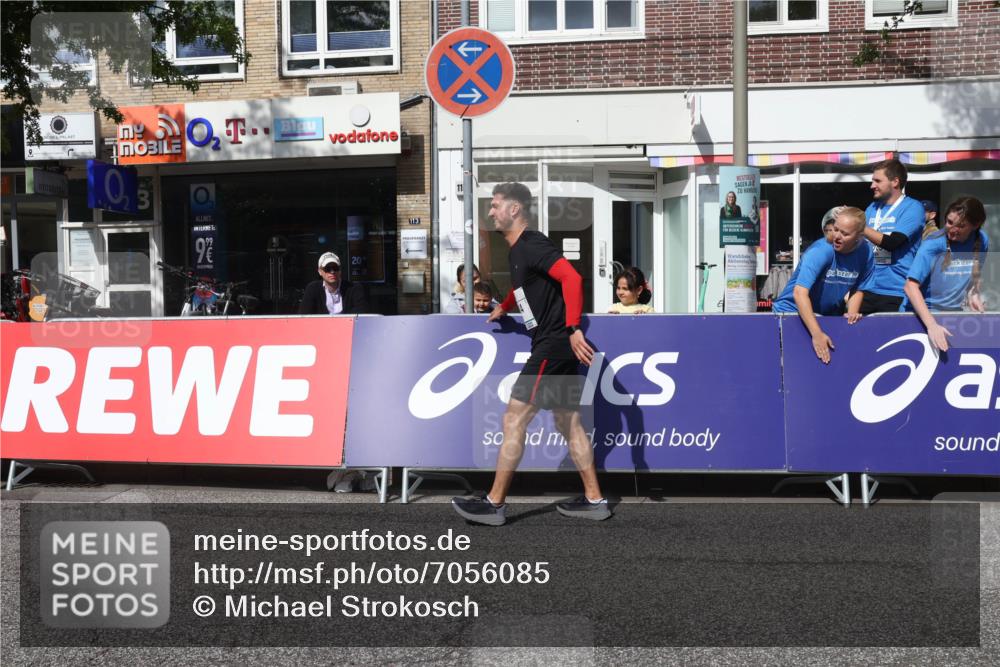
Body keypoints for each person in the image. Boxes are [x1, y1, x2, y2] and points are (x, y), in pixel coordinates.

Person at [452, 182, 610, 526]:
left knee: (513, 419)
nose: (491, 211)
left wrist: (572, 328)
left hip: (552, 346)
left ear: (515, 209)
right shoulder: (517, 251)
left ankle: (494, 504)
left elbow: (572, 279)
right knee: (569, 423)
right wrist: (504, 306)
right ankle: (596, 500)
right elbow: (525, 289)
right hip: (554, 346)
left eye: (495, 205)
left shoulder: (532, 243)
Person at [772, 207, 873, 364]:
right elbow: (799, 293)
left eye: (845, 234)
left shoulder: (866, 252)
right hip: (791, 313)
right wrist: (816, 334)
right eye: (835, 229)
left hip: (826, 315)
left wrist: (851, 314)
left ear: (859, 236)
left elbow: (859, 288)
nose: (837, 237)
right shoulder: (821, 251)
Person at [902, 196, 990, 352]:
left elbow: (973, 276)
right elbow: (910, 286)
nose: (952, 229)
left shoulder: (982, 241)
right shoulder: (934, 242)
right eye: (949, 222)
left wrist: (973, 295)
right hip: (919, 317)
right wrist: (932, 325)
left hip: (952, 317)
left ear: (975, 225)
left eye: (961, 226)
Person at [860, 158, 925, 314]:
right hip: (866, 289)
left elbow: (893, 242)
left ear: (895, 182)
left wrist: (858, 226)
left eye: (877, 181)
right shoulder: (872, 208)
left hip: (895, 291)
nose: (872, 185)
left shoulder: (913, 208)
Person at [298, 251, 368, 314]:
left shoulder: (354, 289)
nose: (332, 272)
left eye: (335, 268)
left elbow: (360, 315)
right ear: (320, 271)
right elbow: (304, 316)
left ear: (340, 270)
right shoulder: (312, 289)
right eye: (327, 269)